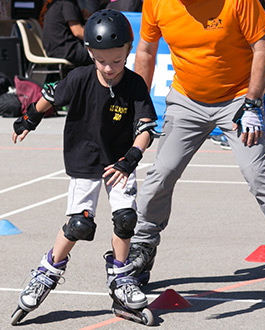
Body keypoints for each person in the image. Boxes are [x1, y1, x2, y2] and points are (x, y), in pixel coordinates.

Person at [128, 0, 265, 297]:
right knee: (161, 173)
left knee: (257, 172)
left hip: (238, 99)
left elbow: (262, 46)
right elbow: (145, 50)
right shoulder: (157, 2)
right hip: (186, 99)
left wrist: (253, 103)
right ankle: (142, 245)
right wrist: (138, 109)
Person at [11, 9, 158, 324]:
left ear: (127, 53)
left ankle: (121, 276)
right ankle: (46, 271)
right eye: (101, 60)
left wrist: (131, 158)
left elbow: (146, 128)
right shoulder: (78, 77)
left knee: (125, 219)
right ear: (90, 53)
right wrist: (29, 119)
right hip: (84, 157)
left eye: (117, 61)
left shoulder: (134, 85)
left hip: (119, 161)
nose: (109, 68)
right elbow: (49, 97)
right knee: (80, 224)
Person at [41, 0, 93, 66]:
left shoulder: (57, 3)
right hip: (66, 50)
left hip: (55, 49)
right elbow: (77, 32)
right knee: (100, 54)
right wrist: (98, 38)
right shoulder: (68, 3)